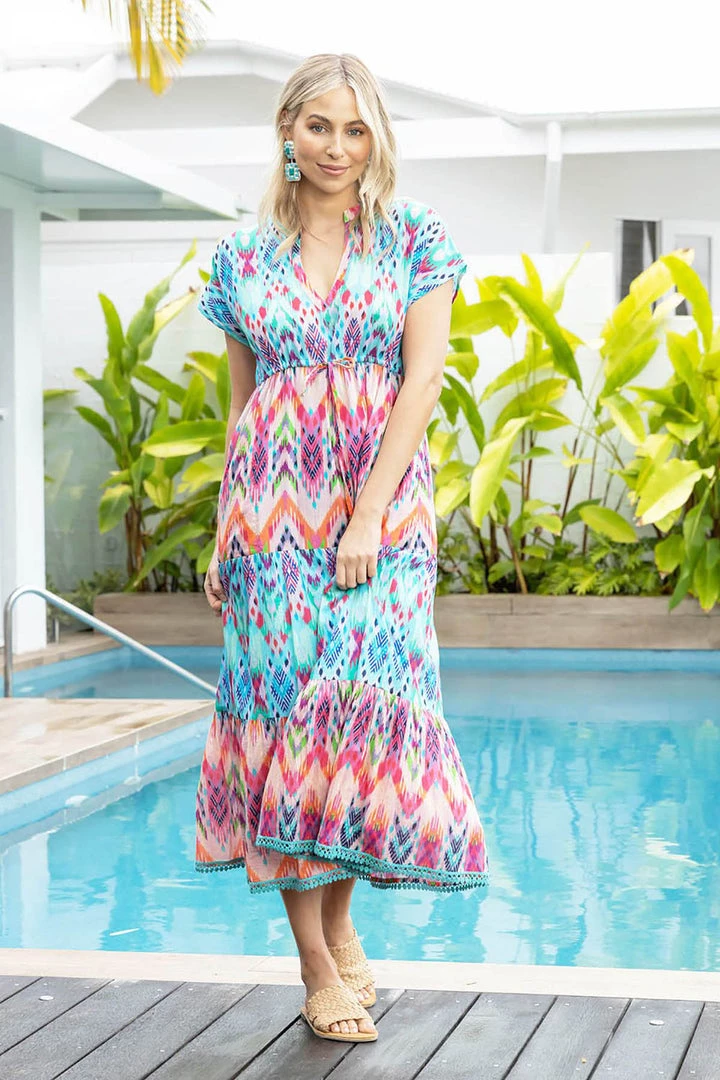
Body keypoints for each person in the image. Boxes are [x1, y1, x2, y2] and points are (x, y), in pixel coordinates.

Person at [195, 51, 490, 1045]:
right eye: (319, 126)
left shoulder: (415, 238)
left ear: (377, 139)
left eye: (355, 129)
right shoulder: (241, 260)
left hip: (383, 508)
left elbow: (422, 380)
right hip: (271, 516)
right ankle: (316, 962)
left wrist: (367, 516)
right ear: (289, 130)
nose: (336, 147)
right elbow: (243, 405)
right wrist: (226, 528)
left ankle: (342, 916)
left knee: (361, 717)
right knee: (284, 716)